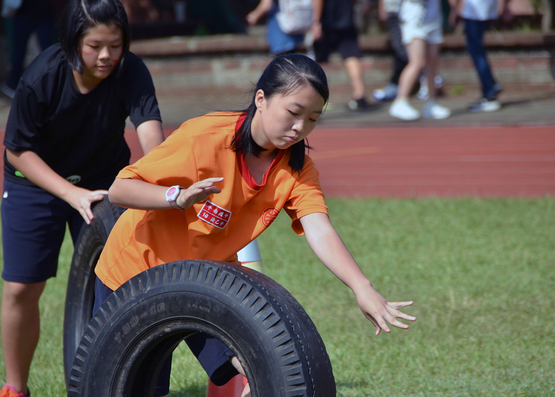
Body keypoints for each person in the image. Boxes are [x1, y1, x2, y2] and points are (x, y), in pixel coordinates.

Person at [92, 53, 416, 397]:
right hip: (138, 273)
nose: (299, 128)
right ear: (261, 99)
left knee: (255, 359)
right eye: (293, 113)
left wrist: (361, 287)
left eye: (312, 119)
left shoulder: (296, 168)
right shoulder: (206, 136)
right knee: (138, 388)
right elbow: (120, 190)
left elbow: (318, 227)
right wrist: (177, 196)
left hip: (204, 279)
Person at [0, 0, 166, 395]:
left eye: (115, 44)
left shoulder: (131, 71)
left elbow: (151, 135)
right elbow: (16, 150)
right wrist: (70, 193)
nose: (106, 55)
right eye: (94, 45)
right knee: (22, 287)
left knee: (116, 278)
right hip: (33, 180)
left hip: (104, 180)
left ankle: (107, 382)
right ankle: (15, 387)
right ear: (73, 42)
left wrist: (162, 185)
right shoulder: (43, 75)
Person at [388, 0, 451, 120]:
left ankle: (431, 103)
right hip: (414, 17)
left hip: (433, 17)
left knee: (432, 63)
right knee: (418, 62)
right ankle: (400, 101)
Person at [311, 0, 373, 110]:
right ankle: (360, 96)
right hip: (346, 20)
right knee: (351, 57)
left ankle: (315, 98)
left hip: (326, 21)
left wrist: (315, 22)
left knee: (319, 61)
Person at [449, 0, 505, 112]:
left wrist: (456, 9)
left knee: (476, 51)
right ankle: (491, 85)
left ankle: (490, 92)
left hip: (473, 10)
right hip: (488, 8)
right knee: (477, 49)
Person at [0, 0, 57, 98]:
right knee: (19, 51)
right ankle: (13, 83)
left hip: (44, 12)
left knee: (50, 52)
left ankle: (52, 86)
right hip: (24, 12)